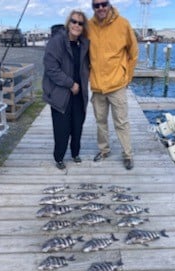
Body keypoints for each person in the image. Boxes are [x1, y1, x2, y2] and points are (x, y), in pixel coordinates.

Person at [88, 0, 138, 170]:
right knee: (100, 121)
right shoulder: (88, 26)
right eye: (96, 5)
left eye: (103, 4)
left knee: (121, 122)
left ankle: (127, 154)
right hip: (97, 86)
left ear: (109, 5)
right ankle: (104, 150)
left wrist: (127, 78)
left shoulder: (123, 24)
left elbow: (133, 53)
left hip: (117, 85)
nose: (100, 8)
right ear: (93, 7)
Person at [42, 10, 90, 169]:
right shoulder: (56, 42)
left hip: (79, 94)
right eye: (74, 21)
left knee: (77, 126)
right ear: (69, 23)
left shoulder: (83, 44)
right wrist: (70, 84)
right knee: (61, 129)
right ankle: (59, 158)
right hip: (61, 93)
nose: (77, 25)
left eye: (80, 23)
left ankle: (75, 153)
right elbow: (51, 68)